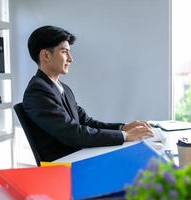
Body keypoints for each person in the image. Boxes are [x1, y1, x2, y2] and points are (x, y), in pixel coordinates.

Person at [23, 25, 153, 161]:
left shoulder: (63, 88)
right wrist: (125, 136)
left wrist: (123, 128)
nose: (70, 59)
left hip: (79, 156)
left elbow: (87, 122)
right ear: (45, 55)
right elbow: (74, 134)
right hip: (63, 166)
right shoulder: (37, 91)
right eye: (64, 52)